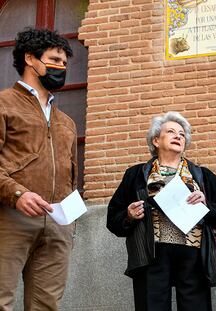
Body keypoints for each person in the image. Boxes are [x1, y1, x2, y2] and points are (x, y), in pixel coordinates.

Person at [107, 111, 216, 311]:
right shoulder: (136, 175)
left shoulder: (201, 176)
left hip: (193, 256)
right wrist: (128, 215)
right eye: (171, 132)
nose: (178, 136)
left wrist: (206, 206)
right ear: (156, 141)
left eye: (182, 134)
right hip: (152, 255)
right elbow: (113, 219)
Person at [0, 28, 77, 310]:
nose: (61, 68)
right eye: (55, 60)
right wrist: (17, 193)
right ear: (30, 59)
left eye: (65, 63)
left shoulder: (66, 122)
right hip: (9, 217)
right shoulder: (3, 104)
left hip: (57, 225)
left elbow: (70, 177)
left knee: (46, 305)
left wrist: (70, 224)